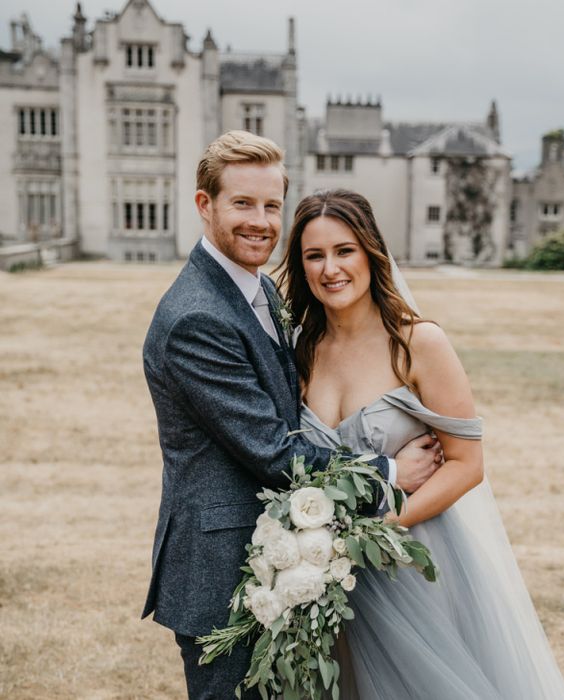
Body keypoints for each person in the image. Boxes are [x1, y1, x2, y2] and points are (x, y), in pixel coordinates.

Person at [141, 132, 441, 700]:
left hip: (287, 565)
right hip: (222, 575)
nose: (261, 221)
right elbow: (273, 451)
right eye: (242, 203)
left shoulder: (260, 293)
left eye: (272, 205)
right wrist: (391, 474)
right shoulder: (196, 319)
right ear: (204, 206)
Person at [277, 189, 564, 699]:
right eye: (315, 255)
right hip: (323, 577)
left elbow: (466, 464)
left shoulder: (418, 343)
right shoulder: (300, 349)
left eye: (344, 250)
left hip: (409, 561)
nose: (331, 268)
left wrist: (375, 531)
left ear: (371, 251)